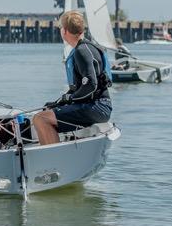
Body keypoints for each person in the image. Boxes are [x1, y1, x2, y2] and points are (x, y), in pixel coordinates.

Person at [32, 11, 112, 145]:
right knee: (47, 113)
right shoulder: (86, 47)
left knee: (40, 119)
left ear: (65, 31)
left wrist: (70, 98)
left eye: (61, 28)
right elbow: (80, 88)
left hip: (97, 107)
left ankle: (54, 160)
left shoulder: (82, 51)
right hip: (99, 106)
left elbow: (91, 85)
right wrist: (59, 101)